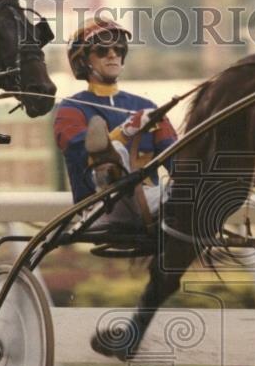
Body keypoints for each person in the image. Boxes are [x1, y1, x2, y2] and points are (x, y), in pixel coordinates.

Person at [53, 18, 177, 224]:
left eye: (119, 49)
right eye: (101, 50)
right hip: (100, 208)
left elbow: (177, 160)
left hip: (151, 202)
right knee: (116, 149)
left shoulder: (147, 106)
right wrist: (126, 131)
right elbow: (81, 151)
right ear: (83, 61)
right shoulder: (71, 108)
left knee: (194, 180)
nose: (112, 54)